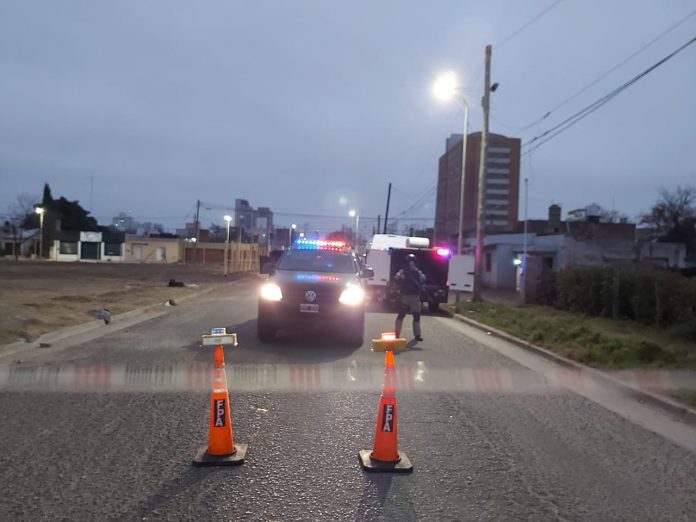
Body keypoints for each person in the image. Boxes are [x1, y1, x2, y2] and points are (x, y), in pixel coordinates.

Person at [394, 253, 425, 341]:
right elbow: (397, 278)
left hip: (414, 296)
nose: (411, 263)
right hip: (406, 295)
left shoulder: (417, 272)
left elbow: (423, 279)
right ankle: (397, 333)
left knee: (416, 315)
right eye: (410, 261)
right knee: (402, 314)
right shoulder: (403, 271)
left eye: (412, 261)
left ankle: (417, 334)